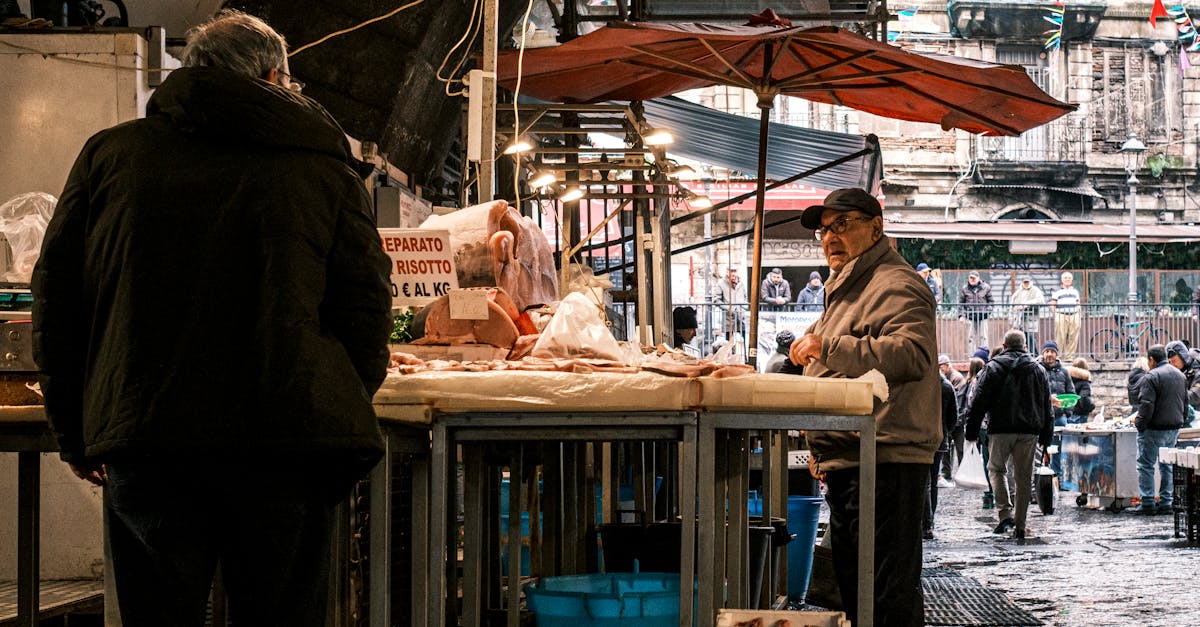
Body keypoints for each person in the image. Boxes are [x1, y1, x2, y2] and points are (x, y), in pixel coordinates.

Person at [30, 11, 393, 626]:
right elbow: (365, 309)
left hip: (150, 438)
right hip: (287, 443)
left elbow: (59, 298)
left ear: (190, 71)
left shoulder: (111, 157)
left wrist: (77, 426)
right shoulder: (326, 169)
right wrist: (332, 396)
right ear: (278, 77)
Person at [789, 187, 939, 626]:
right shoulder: (849, 288)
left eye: (842, 225)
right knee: (861, 592)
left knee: (885, 595)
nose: (830, 237)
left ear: (875, 227)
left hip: (886, 461)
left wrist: (828, 345)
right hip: (852, 459)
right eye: (823, 230)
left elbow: (912, 353)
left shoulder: (895, 283)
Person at [965, 330, 1053, 540]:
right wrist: (1046, 437)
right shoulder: (1038, 370)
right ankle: (1021, 525)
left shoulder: (993, 368)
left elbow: (978, 402)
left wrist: (972, 431)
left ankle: (1005, 513)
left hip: (1000, 429)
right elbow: (1046, 406)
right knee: (1024, 479)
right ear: (1024, 346)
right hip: (1029, 431)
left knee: (996, 470)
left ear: (1004, 346)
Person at [1129, 344, 1188, 515]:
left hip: (1153, 428)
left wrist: (1140, 424)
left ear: (1151, 360)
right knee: (1167, 465)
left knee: (1146, 465)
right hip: (1173, 427)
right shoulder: (1180, 375)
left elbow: (1146, 405)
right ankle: (1166, 502)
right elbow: (1185, 402)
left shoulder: (1151, 376)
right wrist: (1181, 421)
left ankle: (1147, 502)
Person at [925, 368, 958, 539]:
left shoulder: (921, 385)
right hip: (939, 438)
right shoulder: (946, 386)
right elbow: (953, 416)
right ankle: (930, 521)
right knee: (932, 480)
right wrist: (946, 432)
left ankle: (925, 521)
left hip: (921, 438)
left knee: (924, 481)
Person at [1038, 341, 1075, 478]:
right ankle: (1041, 477)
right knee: (1041, 447)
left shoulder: (1064, 372)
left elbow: (1071, 392)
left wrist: (1067, 412)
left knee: (1058, 448)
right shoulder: (1038, 369)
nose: (1049, 354)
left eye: (1052, 351)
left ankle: (1057, 476)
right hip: (1042, 417)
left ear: (1056, 354)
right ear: (1043, 353)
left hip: (1059, 417)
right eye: (1047, 351)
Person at [937, 354, 965, 486]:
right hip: (952, 419)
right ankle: (946, 473)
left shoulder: (957, 378)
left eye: (941, 366)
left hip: (957, 420)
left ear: (947, 366)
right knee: (946, 450)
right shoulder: (945, 379)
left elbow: (957, 400)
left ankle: (962, 473)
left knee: (959, 449)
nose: (940, 369)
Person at [959, 271, 994, 355]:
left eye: (974, 278)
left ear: (978, 278)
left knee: (984, 337)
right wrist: (961, 315)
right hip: (970, 317)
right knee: (971, 338)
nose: (972, 279)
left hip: (983, 316)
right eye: (971, 278)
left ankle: (984, 356)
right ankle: (972, 357)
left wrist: (987, 311)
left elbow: (991, 302)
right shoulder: (965, 288)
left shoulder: (986, 287)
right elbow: (960, 304)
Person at [1049, 271, 1081, 361]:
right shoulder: (1057, 291)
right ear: (1062, 279)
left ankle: (1069, 357)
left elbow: (1078, 303)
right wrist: (1055, 313)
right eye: (1065, 278)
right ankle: (1057, 356)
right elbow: (1053, 303)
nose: (1067, 279)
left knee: (1073, 336)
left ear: (1072, 280)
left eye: (1069, 278)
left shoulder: (1075, 291)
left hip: (1074, 315)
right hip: (1061, 314)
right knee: (1060, 336)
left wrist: (1078, 311)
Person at [1009, 275, 1045, 351]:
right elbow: (1011, 306)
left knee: (1030, 338)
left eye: (1027, 282)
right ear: (1022, 282)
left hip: (1030, 320)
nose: (1026, 284)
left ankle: (1035, 356)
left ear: (1031, 282)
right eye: (1024, 282)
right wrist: (1011, 319)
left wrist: (1027, 303)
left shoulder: (1035, 290)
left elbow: (1041, 301)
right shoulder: (1017, 292)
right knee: (1018, 340)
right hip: (1018, 321)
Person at [713, 266, 748, 339]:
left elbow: (745, 296)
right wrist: (728, 308)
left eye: (734, 271)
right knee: (729, 341)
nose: (733, 274)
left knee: (743, 339)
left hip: (741, 316)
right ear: (727, 272)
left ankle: (744, 351)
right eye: (731, 271)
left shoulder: (741, 283)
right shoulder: (721, 283)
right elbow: (716, 300)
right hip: (728, 317)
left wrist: (744, 306)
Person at [1165, 340, 1200, 411]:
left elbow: (1195, 396)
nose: (1172, 365)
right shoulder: (1179, 372)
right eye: (1170, 362)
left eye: (1174, 361)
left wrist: (1172, 396)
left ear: (1183, 356)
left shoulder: (1198, 372)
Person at [1065, 357, 1097, 424]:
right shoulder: (1085, 382)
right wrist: (1092, 406)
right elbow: (1084, 398)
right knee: (1079, 433)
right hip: (1080, 414)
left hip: (1067, 413)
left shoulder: (1067, 379)